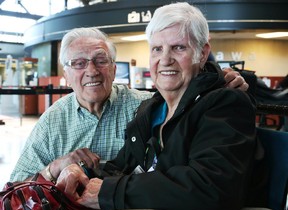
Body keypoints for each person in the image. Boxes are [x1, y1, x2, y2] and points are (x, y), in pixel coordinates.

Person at [56, 3, 261, 210]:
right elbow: (122, 167)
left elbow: (212, 187)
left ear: (202, 53)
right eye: (157, 49)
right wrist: (82, 172)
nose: (165, 59)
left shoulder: (223, 103)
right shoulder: (150, 110)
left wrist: (110, 191)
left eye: (179, 47)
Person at [10, 25, 248, 183]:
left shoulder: (146, 107)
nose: (92, 71)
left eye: (100, 60)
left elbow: (192, 106)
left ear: (114, 68)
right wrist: (54, 168)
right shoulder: (53, 121)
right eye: (79, 63)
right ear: (66, 73)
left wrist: (217, 81)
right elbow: (14, 188)